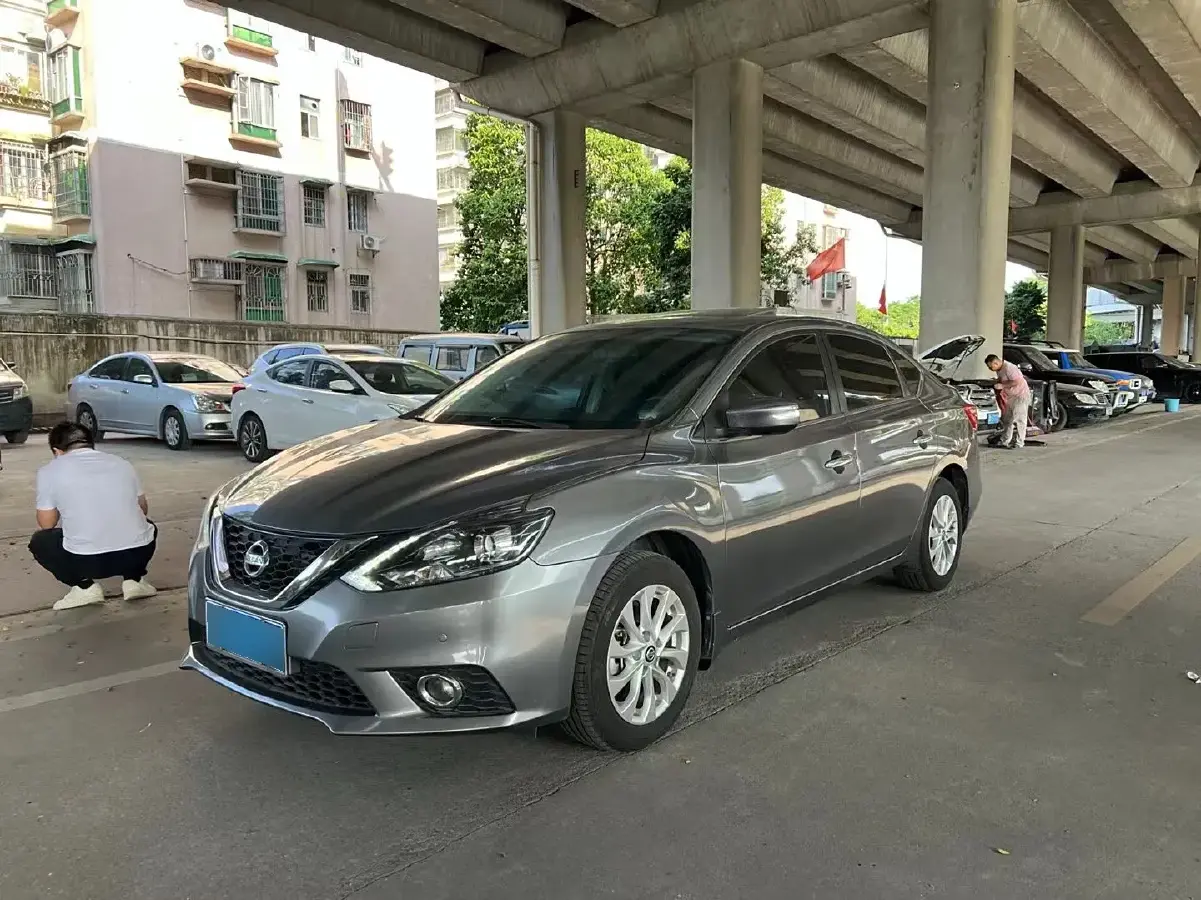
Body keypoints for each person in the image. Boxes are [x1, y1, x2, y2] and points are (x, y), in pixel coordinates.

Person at [29, 422, 158, 611]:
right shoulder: (121, 463)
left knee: (41, 541)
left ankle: (85, 588)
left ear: (57, 451)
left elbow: (47, 523)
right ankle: (134, 581)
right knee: (147, 525)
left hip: (87, 561)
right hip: (135, 554)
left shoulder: (50, 471)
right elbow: (142, 509)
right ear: (91, 444)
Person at [986, 353, 1030, 450]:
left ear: (996, 363)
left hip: (1020, 395)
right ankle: (1005, 440)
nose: (990, 369)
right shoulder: (999, 370)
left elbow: (1017, 381)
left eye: (991, 367)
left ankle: (1020, 442)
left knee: (1019, 419)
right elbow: (1002, 379)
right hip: (1009, 396)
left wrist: (1002, 385)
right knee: (1007, 419)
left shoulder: (1010, 368)